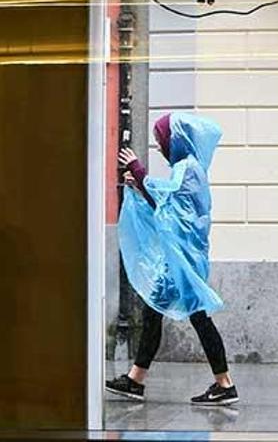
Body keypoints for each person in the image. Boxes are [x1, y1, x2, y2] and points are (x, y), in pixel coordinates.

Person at [105, 112, 238, 406]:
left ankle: (225, 383)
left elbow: (168, 200)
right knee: (155, 311)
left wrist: (139, 172)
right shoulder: (185, 168)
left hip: (184, 260)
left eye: (161, 140)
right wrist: (140, 185)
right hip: (179, 259)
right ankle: (135, 380)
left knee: (199, 317)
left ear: (176, 140)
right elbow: (169, 207)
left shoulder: (188, 168)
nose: (160, 146)